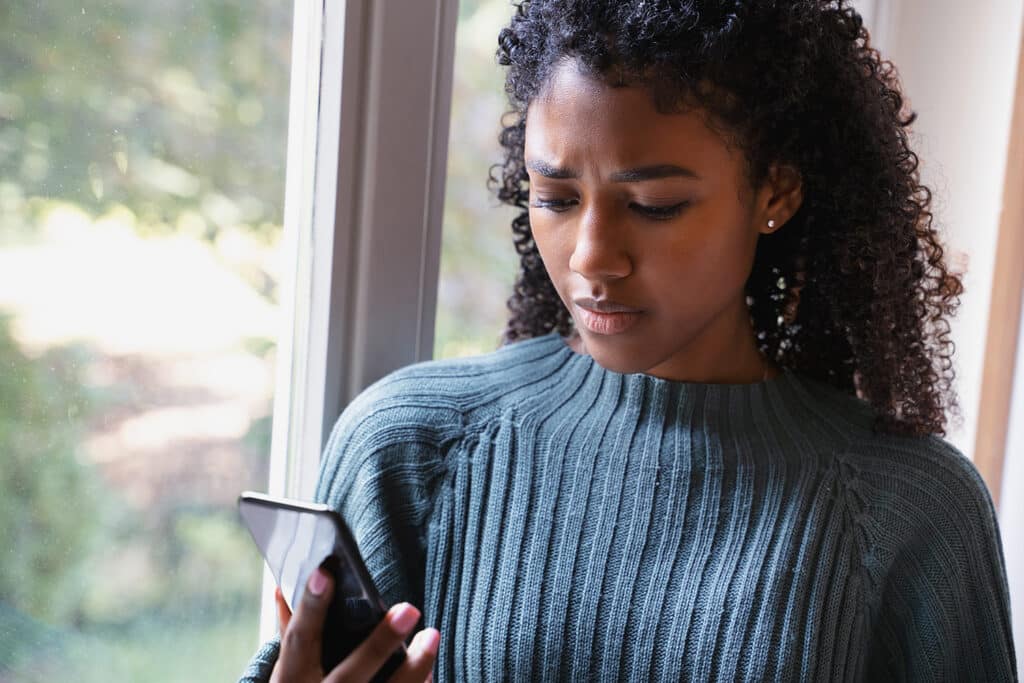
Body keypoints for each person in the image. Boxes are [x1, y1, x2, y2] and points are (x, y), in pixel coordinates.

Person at [240, 0, 1017, 680]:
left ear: (774, 191)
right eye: (556, 197)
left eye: (653, 203)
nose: (590, 257)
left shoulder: (910, 507)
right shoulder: (410, 450)